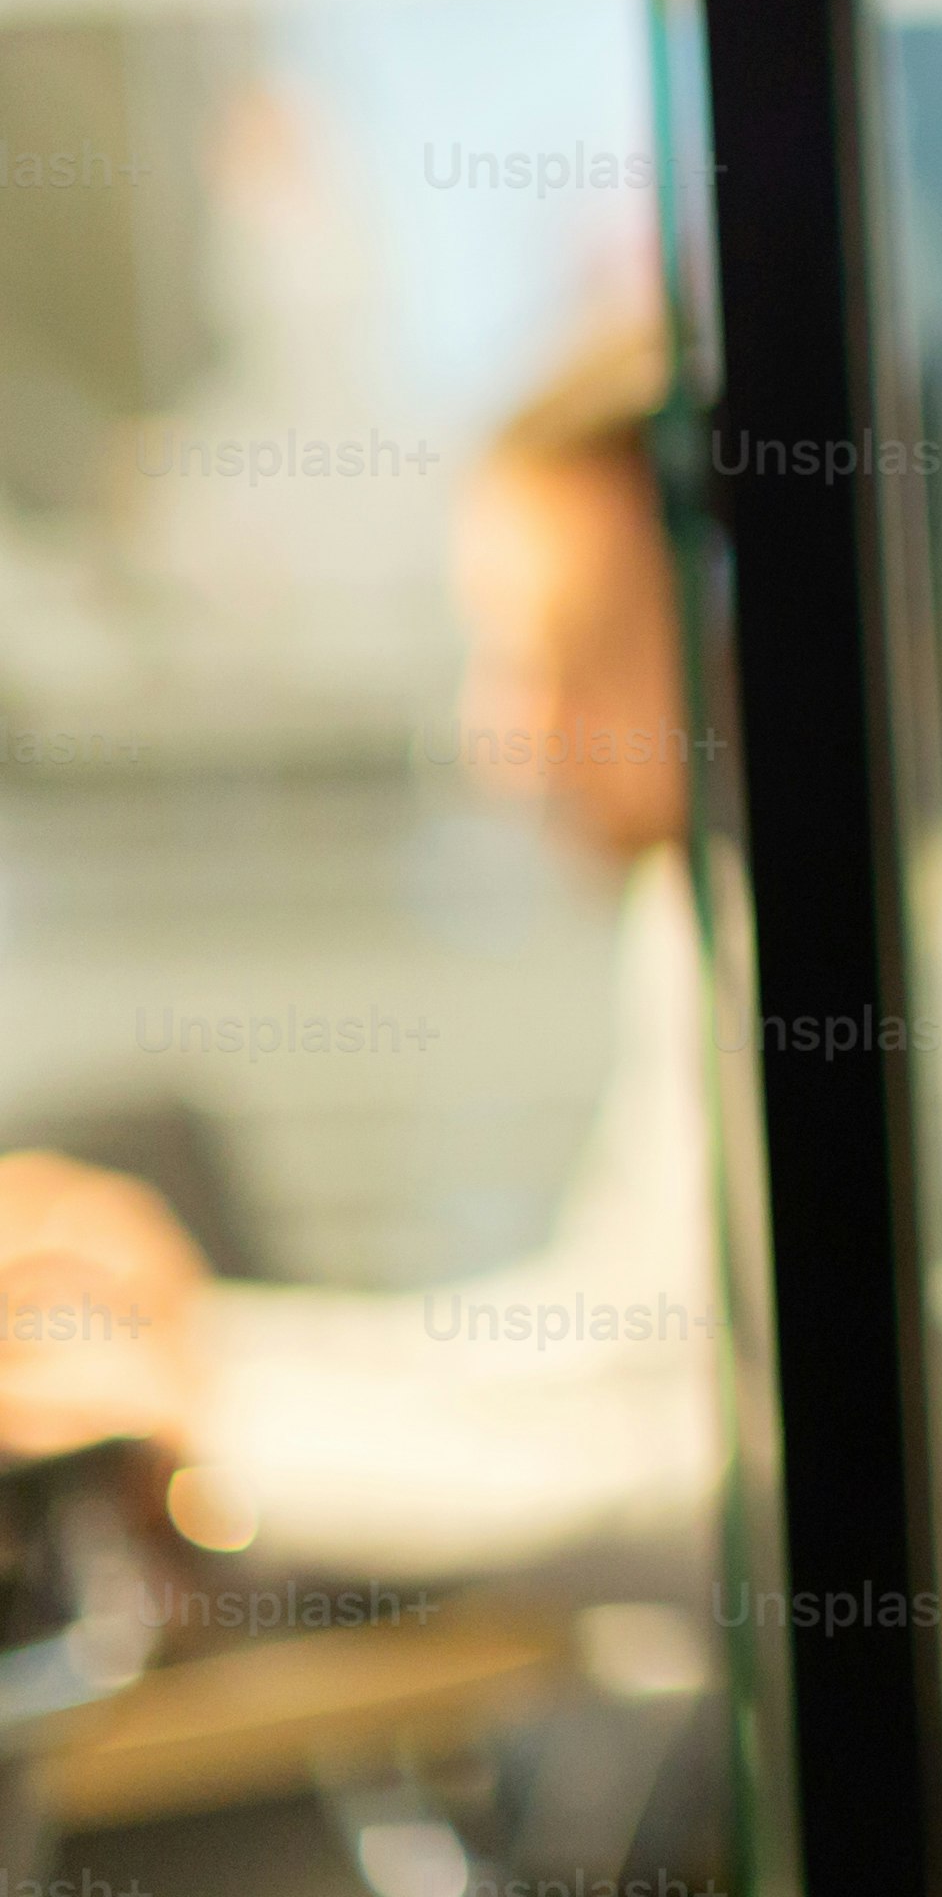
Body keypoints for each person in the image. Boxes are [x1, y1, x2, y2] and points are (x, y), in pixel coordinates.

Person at [0, 317, 725, 1574]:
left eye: (562, 661)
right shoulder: (701, 902)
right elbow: (614, 1348)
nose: (502, 739)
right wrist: (196, 1349)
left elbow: (689, 1456)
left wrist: (204, 1411)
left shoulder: (872, 954)